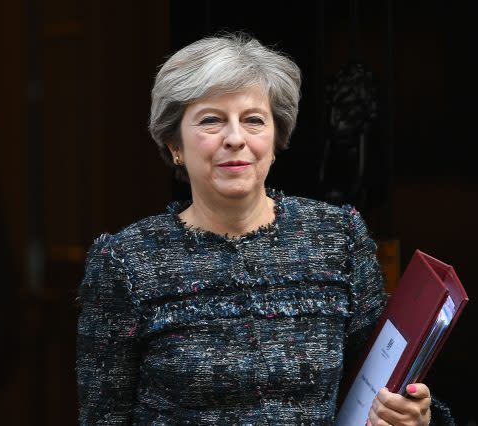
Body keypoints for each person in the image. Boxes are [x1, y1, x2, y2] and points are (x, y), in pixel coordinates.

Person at [76, 33, 454, 425]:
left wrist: (413, 415)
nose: (235, 139)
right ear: (175, 144)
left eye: (253, 120)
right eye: (211, 121)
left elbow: (379, 380)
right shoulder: (126, 262)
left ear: (276, 139)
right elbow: (103, 418)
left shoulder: (337, 238)